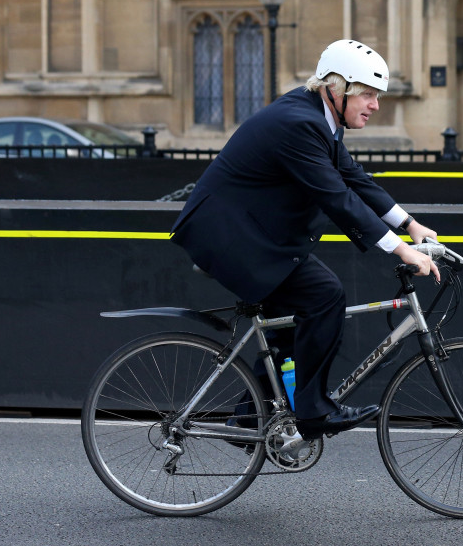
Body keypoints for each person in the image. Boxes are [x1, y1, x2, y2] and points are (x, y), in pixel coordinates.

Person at [170, 39, 440, 440]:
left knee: (289, 328)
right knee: (324, 295)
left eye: (376, 96)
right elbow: (337, 198)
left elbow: (352, 177)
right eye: (367, 94)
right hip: (231, 238)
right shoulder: (299, 124)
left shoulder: (319, 116)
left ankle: (250, 419)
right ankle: (314, 412)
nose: (375, 105)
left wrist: (410, 224)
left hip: (256, 235)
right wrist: (401, 251)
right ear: (337, 87)